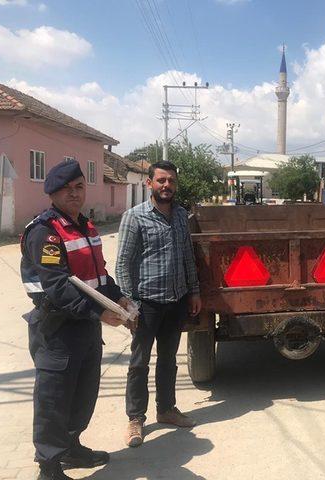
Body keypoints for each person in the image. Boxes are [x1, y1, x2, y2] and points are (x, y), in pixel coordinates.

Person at [20, 160, 133, 480]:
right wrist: (99, 311)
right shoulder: (45, 231)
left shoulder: (84, 225)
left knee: (83, 392)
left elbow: (97, 275)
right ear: (53, 192)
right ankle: (49, 466)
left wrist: (117, 297)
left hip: (83, 325)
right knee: (54, 398)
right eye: (67, 189)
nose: (74, 193)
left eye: (79, 187)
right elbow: (55, 286)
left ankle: (71, 447)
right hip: (56, 328)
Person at [116, 161, 201, 448]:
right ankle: (135, 419)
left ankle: (166, 410)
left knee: (168, 360)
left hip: (175, 301)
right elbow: (123, 263)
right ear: (150, 183)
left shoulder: (180, 216)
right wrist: (130, 305)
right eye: (162, 180)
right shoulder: (135, 217)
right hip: (146, 304)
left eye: (172, 181)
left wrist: (194, 292)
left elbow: (188, 257)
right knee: (139, 363)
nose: (167, 186)